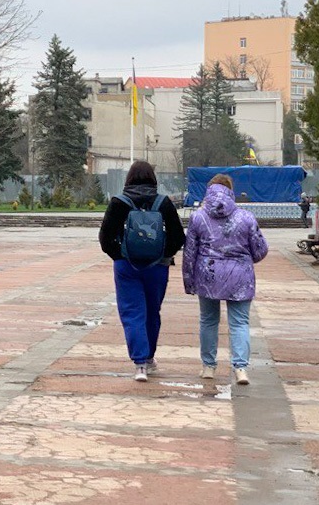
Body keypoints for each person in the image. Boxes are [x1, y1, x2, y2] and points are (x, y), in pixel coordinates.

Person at [98, 160, 185, 382]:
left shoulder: (119, 202)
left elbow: (105, 238)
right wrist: (162, 254)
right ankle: (149, 358)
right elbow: (178, 237)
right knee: (151, 312)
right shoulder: (163, 203)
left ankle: (139, 364)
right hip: (157, 267)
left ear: (129, 178)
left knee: (132, 312)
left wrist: (120, 255)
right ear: (153, 178)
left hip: (126, 266)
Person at [183, 174, 268, 385]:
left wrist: (189, 280)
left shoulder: (198, 217)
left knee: (208, 320)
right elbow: (260, 249)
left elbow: (189, 252)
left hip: (208, 274)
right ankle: (240, 369)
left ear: (209, 190)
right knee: (239, 322)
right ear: (231, 191)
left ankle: (208, 366)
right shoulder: (246, 217)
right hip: (240, 276)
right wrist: (244, 260)